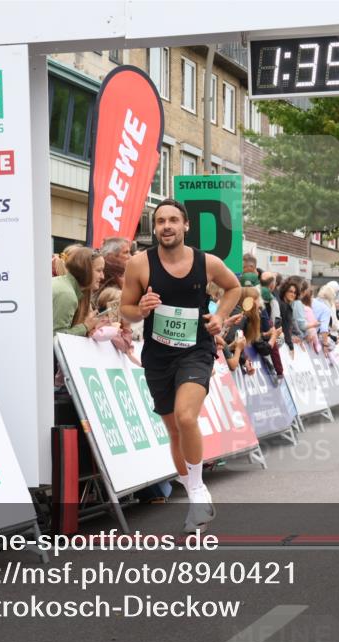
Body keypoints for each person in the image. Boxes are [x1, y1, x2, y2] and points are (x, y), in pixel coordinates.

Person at [120, 198, 240, 533]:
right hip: (158, 356)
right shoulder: (139, 264)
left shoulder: (207, 262)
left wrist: (219, 317)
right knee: (173, 429)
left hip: (196, 350)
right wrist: (140, 309)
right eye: (160, 221)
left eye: (173, 220)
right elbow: (125, 310)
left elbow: (234, 287)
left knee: (187, 417)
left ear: (186, 225)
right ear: (155, 228)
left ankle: (199, 491)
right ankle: (193, 499)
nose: (167, 226)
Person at [52, 247, 105, 336]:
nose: (103, 276)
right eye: (99, 270)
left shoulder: (64, 285)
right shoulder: (67, 295)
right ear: (85, 270)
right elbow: (56, 337)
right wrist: (85, 326)